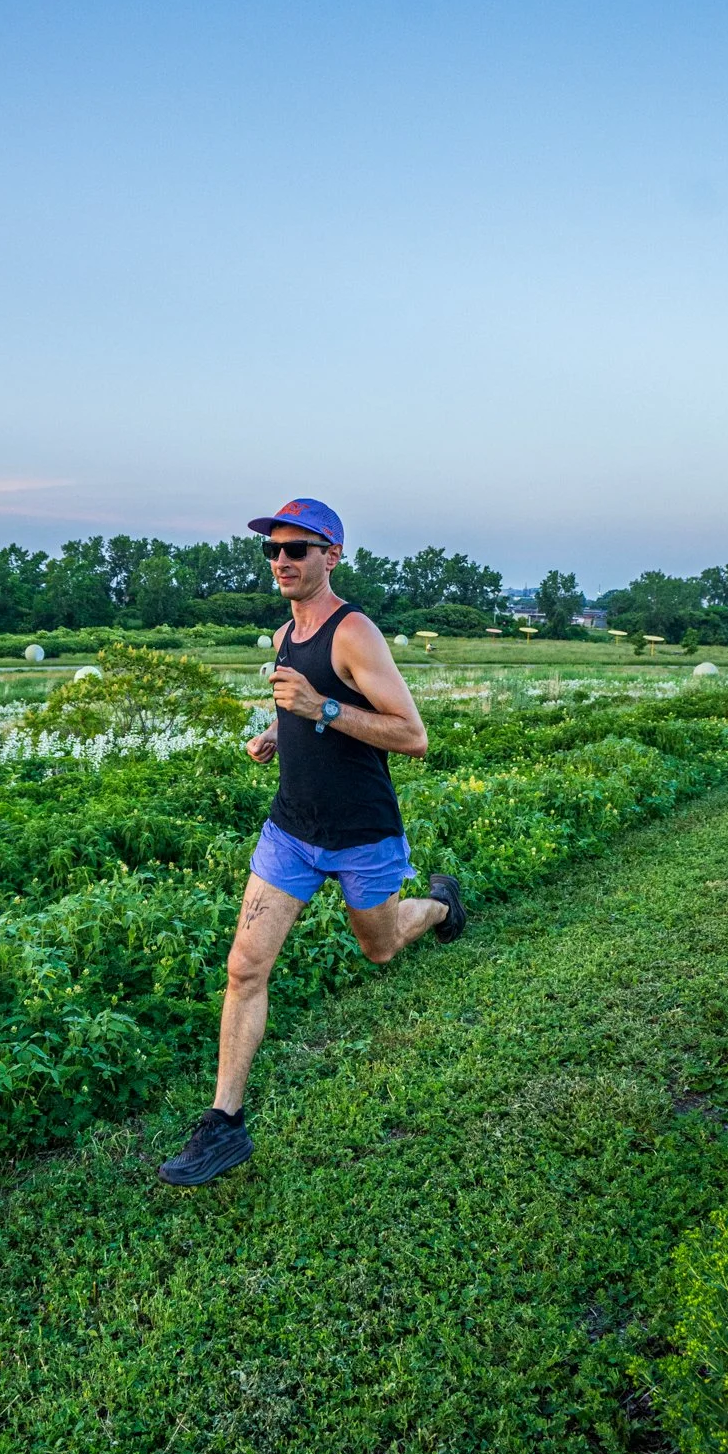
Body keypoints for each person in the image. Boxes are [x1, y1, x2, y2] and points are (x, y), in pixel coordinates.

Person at [159, 497, 465, 1187]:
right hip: (290, 831)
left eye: (297, 549)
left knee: (380, 946)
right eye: (272, 550)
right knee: (244, 969)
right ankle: (224, 1124)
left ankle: (442, 906)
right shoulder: (281, 636)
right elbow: (297, 704)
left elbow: (412, 737)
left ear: (332, 556)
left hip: (361, 836)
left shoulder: (355, 633)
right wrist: (279, 731)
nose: (282, 561)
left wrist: (321, 709)